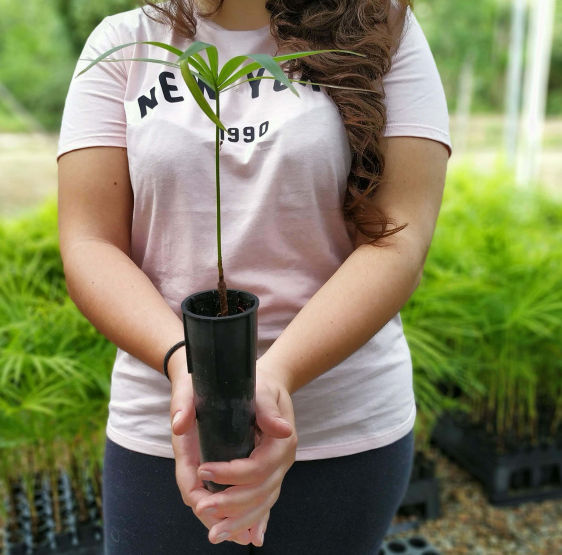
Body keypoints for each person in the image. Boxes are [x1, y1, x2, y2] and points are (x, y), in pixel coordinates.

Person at [57, 0, 450, 552]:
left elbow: (399, 239)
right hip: (170, 424)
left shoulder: (381, 25)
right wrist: (190, 370)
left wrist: (275, 377)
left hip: (340, 426)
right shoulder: (124, 42)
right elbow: (89, 242)